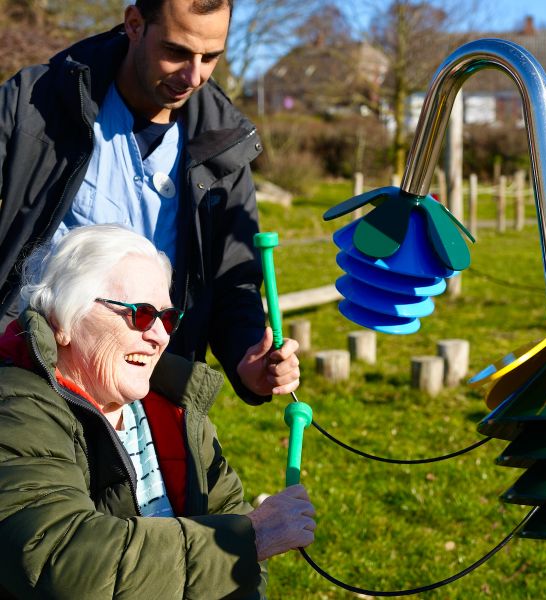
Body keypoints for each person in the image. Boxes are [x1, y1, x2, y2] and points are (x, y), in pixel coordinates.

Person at [0, 0, 299, 406]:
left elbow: (234, 281)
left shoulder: (226, 143)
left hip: (154, 395)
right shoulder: (35, 103)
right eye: (176, 52)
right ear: (135, 24)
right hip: (31, 385)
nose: (194, 76)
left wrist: (249, 359)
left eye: (210, 57)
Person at [0, 224, 316, 599]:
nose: (161, 336)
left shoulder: (177, 408)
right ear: (64, 321)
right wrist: (250, 538)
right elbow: (61, 559)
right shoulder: (16, 407)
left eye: (167, 318)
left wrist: (245, 546)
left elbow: (239, 549)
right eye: (141, 315)